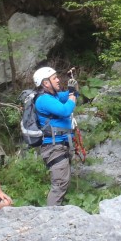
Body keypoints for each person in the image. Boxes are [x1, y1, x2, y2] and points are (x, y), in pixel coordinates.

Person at [33, 66, 78, 206]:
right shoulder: (43, 100)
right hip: (54, 147)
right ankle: (51, 218)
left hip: (61, 145)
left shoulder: (55, 96)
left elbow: (73, 94)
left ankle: (55, 214)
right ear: (45, 83)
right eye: (55, 78)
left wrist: (74, 85)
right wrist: (71, 95)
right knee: (59, 185)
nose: (58, 80)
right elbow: (65, 110)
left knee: (62, 183)